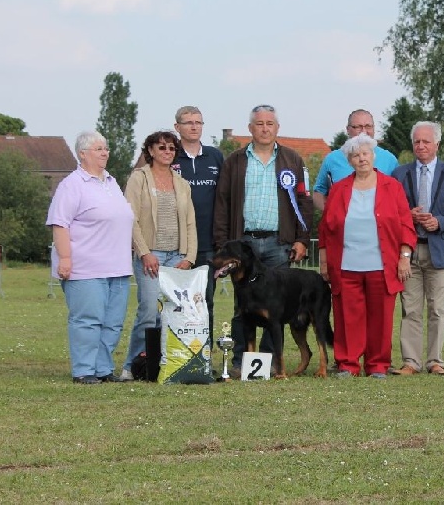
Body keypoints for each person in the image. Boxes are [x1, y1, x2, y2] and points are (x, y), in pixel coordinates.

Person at [213, 104, 314, 376]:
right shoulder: (234, 161)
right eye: (259, 123)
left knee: (276, 310)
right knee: (242, 308)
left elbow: (305, 202)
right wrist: (223, 243)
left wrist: (302, 239)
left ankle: (268, 363)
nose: (265, 128)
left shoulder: (293, 160)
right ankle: (240, 362)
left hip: (279, 244)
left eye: (270, 123)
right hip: (242, 245)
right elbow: (222, 203)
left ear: (277, 128)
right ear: (250, 129)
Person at [318, 133, 416, 378]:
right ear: (349, 161)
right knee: (347, 317)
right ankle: (348, 364)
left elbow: (406, 224)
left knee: (380, 318)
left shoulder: (392, 187)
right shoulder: (339, 189)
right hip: (346, 265)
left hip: (382, 265)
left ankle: (377, 364)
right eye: (355, 155)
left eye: (365, 154)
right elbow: (326, 228)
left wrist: (405, 255)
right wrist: (323, 262)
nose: (361, 159)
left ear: (373, 156)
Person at [46, 131, 135, 384]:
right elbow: (59, 224)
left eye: (106, 148)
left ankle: (103, 369)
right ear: (82, 154)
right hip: (86, 267)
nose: (105, 153)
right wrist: (65, 258)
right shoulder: (72, 185)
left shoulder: (111, 182)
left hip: (117, 266)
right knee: (87, 320)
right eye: (98, 149)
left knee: (113, 322)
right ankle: (84, 370)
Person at [390, 121, 444, 376]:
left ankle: (435, 361)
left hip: (440, 249)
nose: (421, 146)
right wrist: (406, 215)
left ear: (437, 144)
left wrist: (440, 222)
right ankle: (410, 362)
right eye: (417, 142)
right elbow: (391, 211)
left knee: (437, 309)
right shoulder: (399, 174)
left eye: (426, 141)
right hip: (408, 251)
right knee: (410, 309)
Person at [120, 130, 198, 380]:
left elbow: (190, 223)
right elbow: (129, 218)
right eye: (162, 147)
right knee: (148, 311)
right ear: (150, 151)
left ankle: (167, 363)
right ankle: (133, 366)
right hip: (150, 255)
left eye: (171, 148)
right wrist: (144, 253)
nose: (167, 152)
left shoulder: (182, 183)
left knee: (175, 313)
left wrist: (190, 257)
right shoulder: (138, 179)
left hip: (178, 256)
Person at [172, 105, 224, 343]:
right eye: (188, 122)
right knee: (175, 301)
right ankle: (175, 354)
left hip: (207, 244)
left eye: (198, 122)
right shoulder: (169, 155)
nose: (194, 126)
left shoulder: (215, 156)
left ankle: (203, 355)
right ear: (177, 127)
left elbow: (225, 198)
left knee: (205, 301)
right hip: (175, 244)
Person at [312, 109, 399, 211]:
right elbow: (318, 192)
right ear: (348, 129)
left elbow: (399, 194)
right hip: (344, 225)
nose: (363, 131)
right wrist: (332, 214)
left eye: (368, 126)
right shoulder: (332, 159)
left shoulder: (389, 159)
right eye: (357, 127)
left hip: (380, 224)